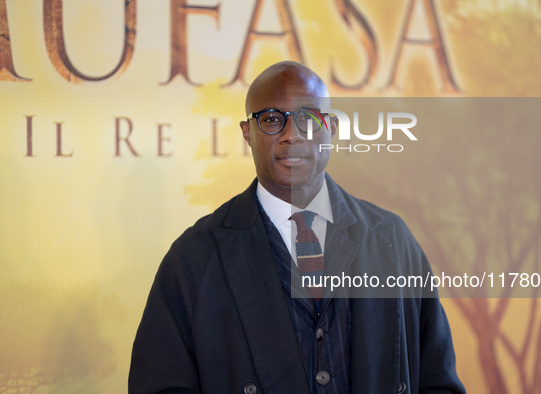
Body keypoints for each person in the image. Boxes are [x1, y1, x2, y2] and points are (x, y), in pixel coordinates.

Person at [129, 61, 465, 394]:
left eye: (309, 118)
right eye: (272, 119)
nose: (291, 135)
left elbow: (438, 382)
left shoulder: (392, 240)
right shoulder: (194, 258)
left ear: (331, 128)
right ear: (248, 133)